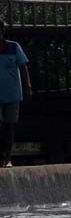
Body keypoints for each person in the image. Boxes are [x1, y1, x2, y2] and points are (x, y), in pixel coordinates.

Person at [0, 19, 32, 168]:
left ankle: (8, 158)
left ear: (3, 31)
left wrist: (27, 86)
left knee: (9, 126)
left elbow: (23, 66)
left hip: (12, 93)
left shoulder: (13, 46)